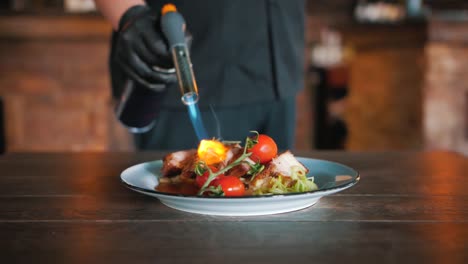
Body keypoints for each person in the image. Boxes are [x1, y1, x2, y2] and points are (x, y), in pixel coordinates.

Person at [94, 0, 305, 151]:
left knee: (279, 199)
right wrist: (131, 15)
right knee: (169, 201)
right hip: (177, 76)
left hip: (279, 76)